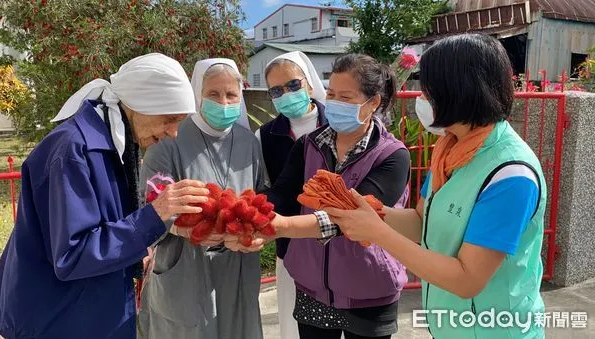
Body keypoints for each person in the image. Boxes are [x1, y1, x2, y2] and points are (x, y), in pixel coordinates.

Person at [327, 34, 546, 339]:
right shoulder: (451, 150)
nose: (421, 98)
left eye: (428, 90)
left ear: (459, 90)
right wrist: (373, 213)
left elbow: (467, 279)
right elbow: (422, 221)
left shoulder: (510, 175)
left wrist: (378, 234)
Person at [0, 53, 209, 339]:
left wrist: (137, 251)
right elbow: (72, 254)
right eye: (169, 119)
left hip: (87, 314)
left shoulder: (114, 142)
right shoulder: (72, 149)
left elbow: (102, 228)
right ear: (140, 104)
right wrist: (153, 216)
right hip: (57, 320)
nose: (173, 133)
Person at [229, 53, 411, 339]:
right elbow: (283, 193)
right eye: (332, 94)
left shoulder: (392, 156)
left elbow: (351, 218)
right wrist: (251, 213)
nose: (335, 103)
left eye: (346, 97)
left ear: (373, 102)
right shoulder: (309, 145)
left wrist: (282, 227)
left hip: (368, 288)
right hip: (313, 285)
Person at [137, 58, 265, 339]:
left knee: (238, 328)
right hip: (186, 267)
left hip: (237, 266)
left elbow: (261, 201)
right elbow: (146, 211)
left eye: (231, 94)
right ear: (198, 95)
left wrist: (252, 232)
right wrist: (185, 229)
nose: (223, 102)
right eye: (213, 94)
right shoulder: (168, 142)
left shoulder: (249, 143)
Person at [255, 51, 327, 339]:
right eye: (276, 90)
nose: (286, 94)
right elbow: (265, 188)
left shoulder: (337, 122)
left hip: (338, 243)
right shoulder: (265, 136)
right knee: (293, 324)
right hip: (291, 245)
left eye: (293, 85)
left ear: (309, 83)